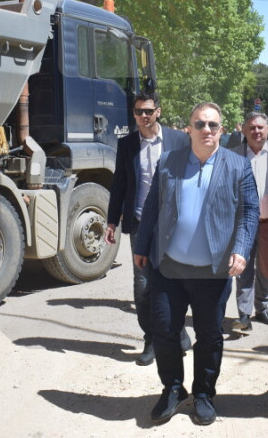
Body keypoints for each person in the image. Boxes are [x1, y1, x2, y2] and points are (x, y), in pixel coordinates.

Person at [133, 102, 259, 425]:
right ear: (188, 129)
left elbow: (249, 211)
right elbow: (152, 205)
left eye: (213, 125)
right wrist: (142, 245)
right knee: (164, 330)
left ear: (222, 130)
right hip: (169, 268)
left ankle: (203, 394)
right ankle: (173, 389)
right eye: (200, 124)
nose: (206, 130)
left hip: (212, 272)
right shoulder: (169, 161)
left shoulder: (238, 166)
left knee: (210, 335)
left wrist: (241, 249)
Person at [104, 91, 190, 366]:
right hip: (141, 223)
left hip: (173, 225)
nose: (143, 116)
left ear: (158, 112)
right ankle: (151, 339)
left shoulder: (178, 140)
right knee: (143, 285)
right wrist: (112, 220)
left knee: (175, 280)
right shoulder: (127, 144)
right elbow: (119, 183)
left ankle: (178, 330)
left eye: (148, 111)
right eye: (139, 111)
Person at [230, 111, 268, 331]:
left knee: (266, 267)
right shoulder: (233, 155)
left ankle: (262, 308)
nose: (256, 131)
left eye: (260, 127)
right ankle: (244, 314)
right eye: (251, 127)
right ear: (244, 130)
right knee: (242, 267)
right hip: (243, 224)